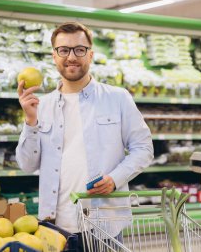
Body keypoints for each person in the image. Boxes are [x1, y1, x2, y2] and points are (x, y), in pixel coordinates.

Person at [15, 22, 154, 250]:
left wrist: (115, 179)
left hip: (104, 228)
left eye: (79, 50)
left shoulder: (118, 98)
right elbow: (27, 165)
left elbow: (143, 148)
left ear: (90, 54)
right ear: (54, 56)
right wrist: (30, 121)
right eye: (64, 50)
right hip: (54, 229)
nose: (71, 57)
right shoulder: (43, 105)